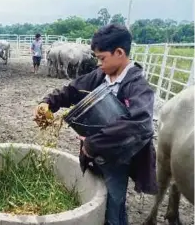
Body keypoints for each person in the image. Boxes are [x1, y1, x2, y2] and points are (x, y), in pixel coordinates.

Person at [34, 24, 158, 225]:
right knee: (97, 193)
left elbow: (139, 123)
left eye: (102, 58)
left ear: (119, 53)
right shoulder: (101, 76)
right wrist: (48, 102)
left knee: (113, 202)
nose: (99, 63)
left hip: (118, 158)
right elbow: (73, 90)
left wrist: (93, 144)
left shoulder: (138, 86)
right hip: (94, 154)